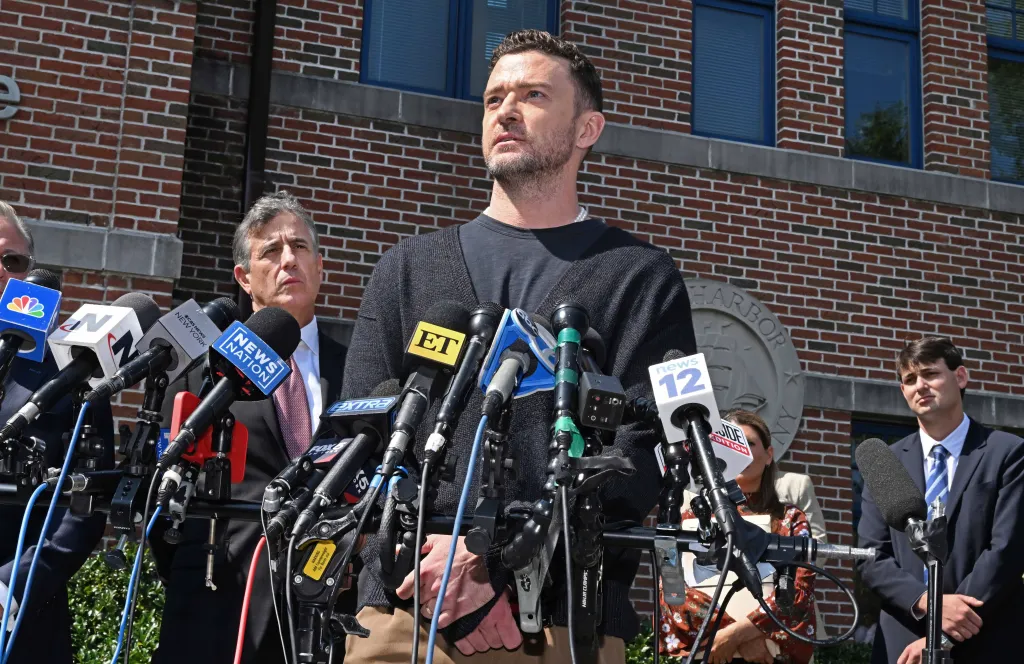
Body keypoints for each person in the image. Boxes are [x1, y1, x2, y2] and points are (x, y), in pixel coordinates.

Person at [341, 29, 697, 664]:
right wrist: (426, 571)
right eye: (493, 98)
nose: (505, 110)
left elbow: (647, 456)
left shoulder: (641, 277)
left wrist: (494, 563)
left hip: (558, 620)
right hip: (400, 612)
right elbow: (358, 436)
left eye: (533, 95)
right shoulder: (406, 269)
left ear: (587, 129)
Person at [150, 191, 349, 663]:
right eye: (271, 251)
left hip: (331, 616)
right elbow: (163, 499)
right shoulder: (202, 371)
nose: (289, 261)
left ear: (321, 266)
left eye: (300, 248)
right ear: (243, 277)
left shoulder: (360, 366)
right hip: (220, 609)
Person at [857, 337, 1024, 664]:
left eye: (930, 374)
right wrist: (927, 604)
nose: (919, 386)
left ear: (960, 377)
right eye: (909, 380)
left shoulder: (1007, 452)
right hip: (903, 644)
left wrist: (945, 632)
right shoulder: (884, 463)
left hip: (986, 637)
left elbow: (1007, 550)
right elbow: (871, 557)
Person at [0, 201, 117, 663]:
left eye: (14, 261)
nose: (4, 272)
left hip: (22, 616)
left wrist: (11, 585)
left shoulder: (75, 371)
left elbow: (83, 510)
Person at [660, 410, 816, 664]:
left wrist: (736, 634)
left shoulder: (790, 518)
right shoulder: (690, 517)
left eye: (750, 443)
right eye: (731, 444)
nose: (740, 451)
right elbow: (670, 586)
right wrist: (739, 637)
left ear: (769, 455)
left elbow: (799, 592)